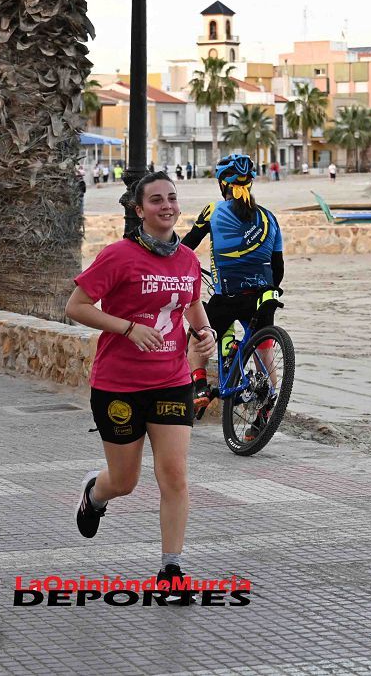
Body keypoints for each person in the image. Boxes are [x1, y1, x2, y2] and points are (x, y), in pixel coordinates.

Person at [66, 171, 216, 603]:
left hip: (171, 381)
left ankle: (171, 567)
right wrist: (128, 328)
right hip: (119, 385)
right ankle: (94, 495)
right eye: (155, 200)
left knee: (174, 473)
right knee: (126, 481)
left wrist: (204, 333)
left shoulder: (188, 259)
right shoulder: (118, 256)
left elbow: (190, 305)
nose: (166, 206)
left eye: (171, 198)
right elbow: (76, 306)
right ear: (139, 210)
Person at [182, 154, 285, 440]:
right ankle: (265, 412)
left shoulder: (213, 211)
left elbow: (187, 247)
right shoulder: (269, 217)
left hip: (227, 295)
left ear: (222, 184)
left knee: (197, 336)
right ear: (249, 184)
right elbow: (278, 269)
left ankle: (200, 386)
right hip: (263, 296)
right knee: (264, 349)